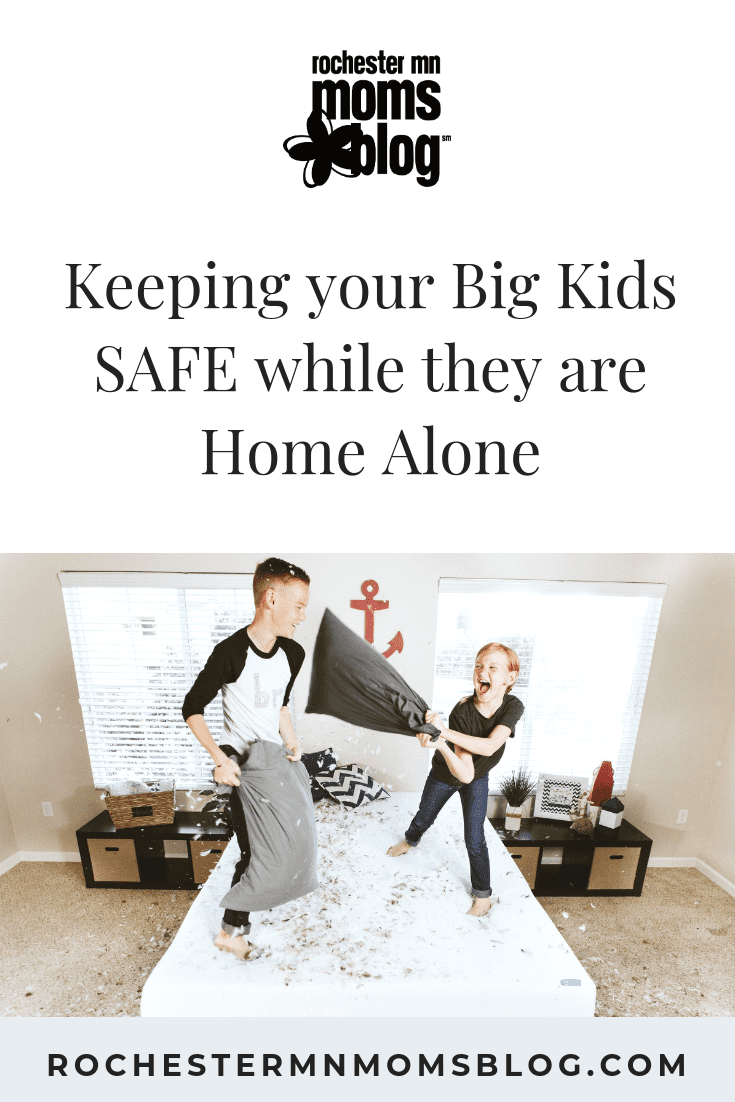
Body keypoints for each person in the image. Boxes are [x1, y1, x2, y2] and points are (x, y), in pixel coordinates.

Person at [182, 557, 312, 960]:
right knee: (256, 852)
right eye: (299, 606)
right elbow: (192, 707)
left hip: (278, 762)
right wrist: (220, 758)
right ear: (271, 598)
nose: (302, 616)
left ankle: (250, 909)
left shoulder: (293, 653)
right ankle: (231, 932)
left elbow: (282, 707)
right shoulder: (231, 652)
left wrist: (291, 741)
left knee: (299, 839)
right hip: (245, 770)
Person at [388, 643, 524, 916]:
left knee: (475, 837)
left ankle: (483, 896)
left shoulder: (513, 706)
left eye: (492, 667)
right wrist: (439, 743)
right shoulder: (462, 710)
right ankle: (410, 840)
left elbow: (487, 748)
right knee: (424, 816)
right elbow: (463, 771)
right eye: (478, 666)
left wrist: (443, 733)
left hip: (477, 776)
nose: (481, 671)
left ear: (510, 678)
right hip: (447, 773)